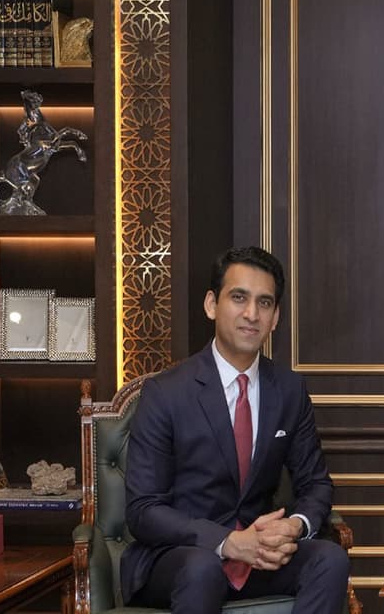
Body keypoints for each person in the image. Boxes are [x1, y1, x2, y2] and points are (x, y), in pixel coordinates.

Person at [122, 246, 349, 614]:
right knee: (202, 568)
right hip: (182, 559)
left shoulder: (289, 390)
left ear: (275, 318)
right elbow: (144, 510)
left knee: (330, 559)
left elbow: (317, 484)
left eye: (264, 303)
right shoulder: (166, 393)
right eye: (239, 298)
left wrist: (294, 525)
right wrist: (226, 542)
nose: (251, 314)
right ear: (212, 304)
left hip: (260, 559)